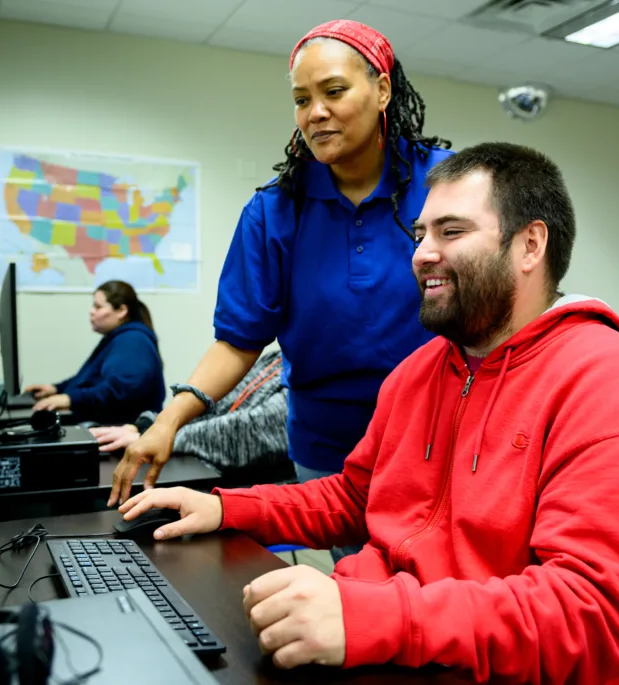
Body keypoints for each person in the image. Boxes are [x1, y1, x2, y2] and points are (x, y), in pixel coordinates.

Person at [116, 142, 619, 682]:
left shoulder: (611, 385)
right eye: (421, 233)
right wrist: (225, 508)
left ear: (530, 245)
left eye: (450, 231)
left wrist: (378, 617)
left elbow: (593, 616)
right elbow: (357, 497)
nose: (422, 253)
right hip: (411, 642)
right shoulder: (425, 369)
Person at [109, 20, 455, 525]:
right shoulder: (275, 210)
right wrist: (169, 422)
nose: (316, 113)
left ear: (382, 90)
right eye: (301, 99)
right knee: (352, 581)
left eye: (334, 91)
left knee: (439, 589)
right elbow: (238, 341)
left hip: (442, 437)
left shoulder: (450, 184)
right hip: (326, 448)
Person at [89, 349, 291, 483]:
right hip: (212, 471)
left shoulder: (306, 373)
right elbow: (213, 404)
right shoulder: (274, 359)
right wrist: (151, 427)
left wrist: (166, 437)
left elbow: (248, 433)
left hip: (251, 486)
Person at [24, 280, 164, 425]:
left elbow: (119, 391)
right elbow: (90, 378)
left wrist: (71, 399)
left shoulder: (133, 341)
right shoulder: (118, 338)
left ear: (121, 311)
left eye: (98, 307)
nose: (91, 311)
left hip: (118, 430)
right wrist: (57, 389)